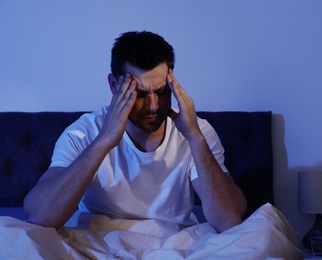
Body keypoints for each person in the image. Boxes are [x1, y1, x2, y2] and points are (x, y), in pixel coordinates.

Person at [23, 31, 247, 233]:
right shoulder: (83, 133)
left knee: (266, 226)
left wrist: (194, 138)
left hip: (175, 247)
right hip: (98, 244)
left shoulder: (196, 131)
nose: (153, 106)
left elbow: (228, 220)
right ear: (114, 86)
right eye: (139, 94)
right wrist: (104, 140)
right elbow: (39, 215)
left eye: (161, 92)